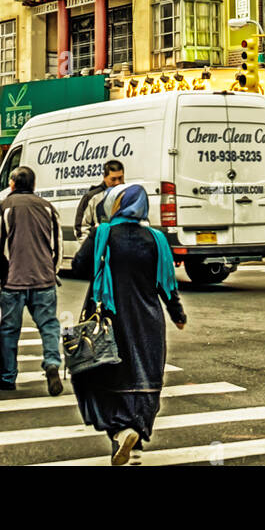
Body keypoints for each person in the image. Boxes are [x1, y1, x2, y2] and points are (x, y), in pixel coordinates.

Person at [70, 183, 186, 465]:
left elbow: (78, 265)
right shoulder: (156, 239)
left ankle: (119, 432)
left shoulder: (103, 234)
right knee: (145, 380)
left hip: (110, 319)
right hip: (148, 322)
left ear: (115, 205)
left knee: (103, 376)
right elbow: (167, 286)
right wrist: (178, 315)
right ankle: (135, 435)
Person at [0, 165, 63, 396]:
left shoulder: (4, 207)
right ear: (34, 185)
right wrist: (52, 270)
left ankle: (7, 377)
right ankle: (52, 363)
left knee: (8, 330)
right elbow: (57, 245)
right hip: (44, 279)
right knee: (49, 325)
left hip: (13, 280)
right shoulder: (47, 208)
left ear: (12, 184)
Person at [75, 159, 125, 241]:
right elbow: (81, 229)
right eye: (113, 179)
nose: (117, 182)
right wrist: (91, 249)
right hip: (100, 250)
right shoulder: (92, 197)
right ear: (104, 177)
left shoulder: (130, 195)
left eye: (120, 178)